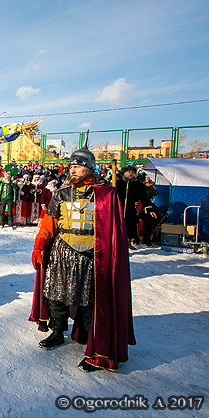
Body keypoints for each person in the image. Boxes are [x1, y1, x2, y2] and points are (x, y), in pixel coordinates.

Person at [29, 137, 135, 373]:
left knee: (90, 300)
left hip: (92, 255)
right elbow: (49, 224)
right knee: (56, 294)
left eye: (76, 166)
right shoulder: (61, 194)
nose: (72, 170)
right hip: (62, 250)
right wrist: (39, 247)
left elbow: (114, 228)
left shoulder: (106, 195)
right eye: (71, 167)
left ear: (88, 168)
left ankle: (94, 342)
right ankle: (57, 333)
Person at [116, 165, 156, 248]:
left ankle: (127, 243)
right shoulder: (118, 184)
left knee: (130, 227)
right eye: (129, 172)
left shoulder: (138, 185)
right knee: (117, 227)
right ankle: (117, 244)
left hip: (131, 210)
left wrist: (149, 208)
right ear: (124, 173)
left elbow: (144, 198)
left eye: (132, 172)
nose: (131, 174)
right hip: (118, 209)